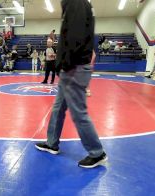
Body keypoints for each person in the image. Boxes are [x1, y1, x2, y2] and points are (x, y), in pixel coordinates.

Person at [35, 0, 107, 169]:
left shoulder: (76, 3)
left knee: (78, 112)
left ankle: (97, 153)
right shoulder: (77, 4)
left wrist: (65, 64)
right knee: (58, 107)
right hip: (71, 66)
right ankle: (52, 143)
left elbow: (75, 36)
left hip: (74, 67)